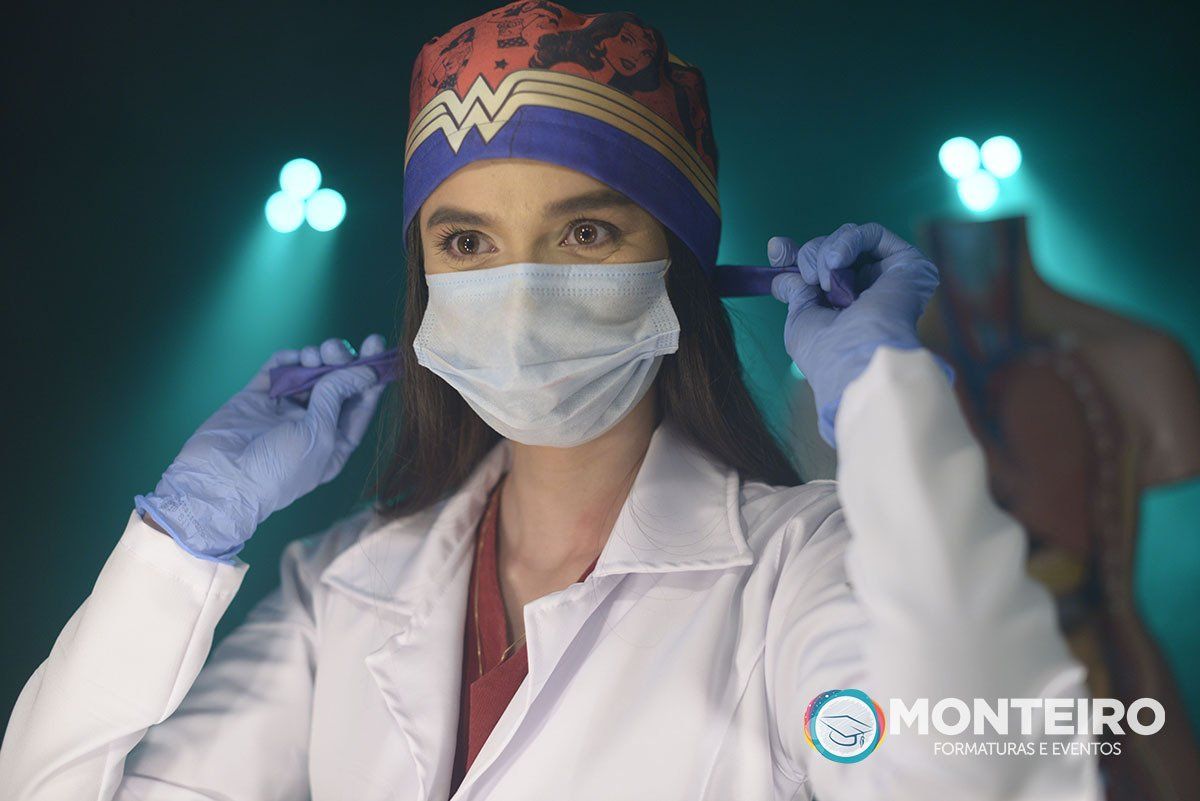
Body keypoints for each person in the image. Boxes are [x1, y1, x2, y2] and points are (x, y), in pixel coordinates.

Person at [0, 2, 1102, 799]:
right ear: (424, 277)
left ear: (677, 265)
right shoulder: (341, 584)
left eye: (583, 231)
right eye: (467, 243)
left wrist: (886, 404)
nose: (519, 294)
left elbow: (993, 775)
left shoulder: (801, 571)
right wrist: (180, 539)